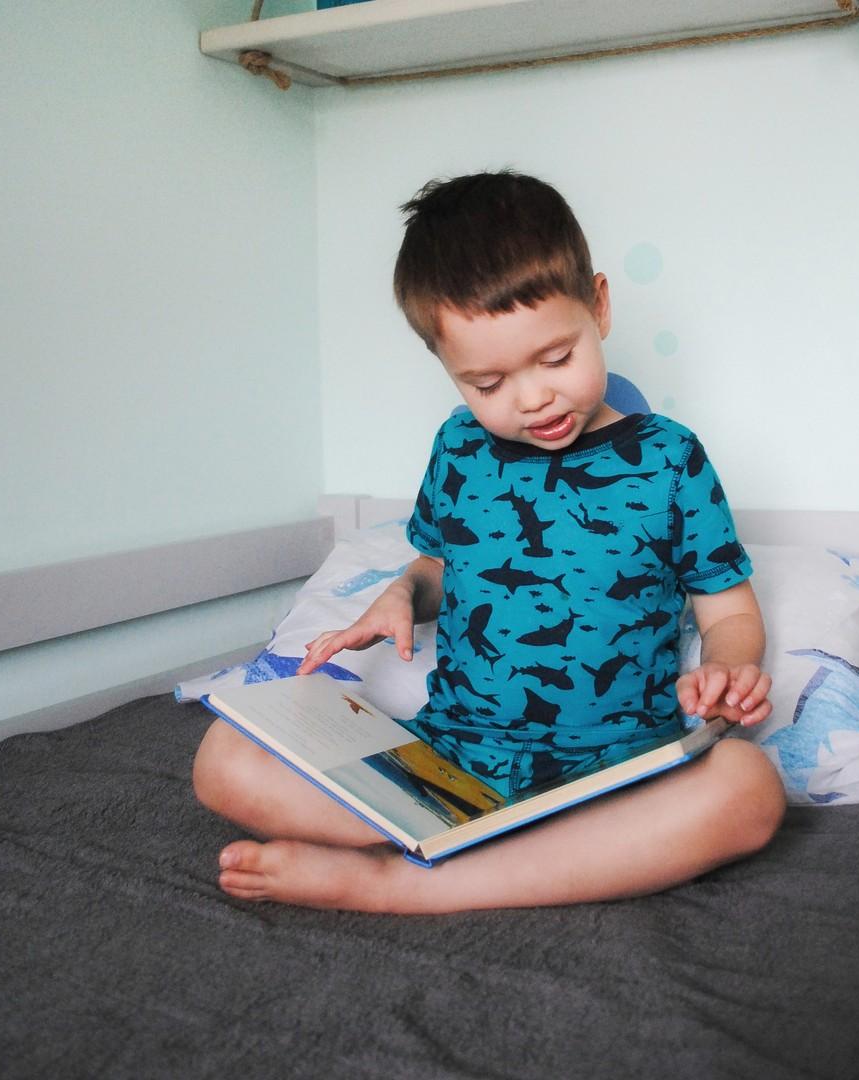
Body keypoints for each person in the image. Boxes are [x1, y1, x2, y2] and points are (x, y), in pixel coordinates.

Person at [192, 171, 785, 913]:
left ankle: (403, 884)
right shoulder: (459, 449)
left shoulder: (672, 459)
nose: (532, 398)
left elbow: (728, 613)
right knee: (225, 755)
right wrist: (403, 593)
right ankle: (472, 840)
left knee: (749, 790)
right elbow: (440, 565)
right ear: (446, 366)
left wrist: (729, 672)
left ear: (598, 305)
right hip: (453, 766)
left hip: (615, 774)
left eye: (557, 358)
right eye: (487, 381)